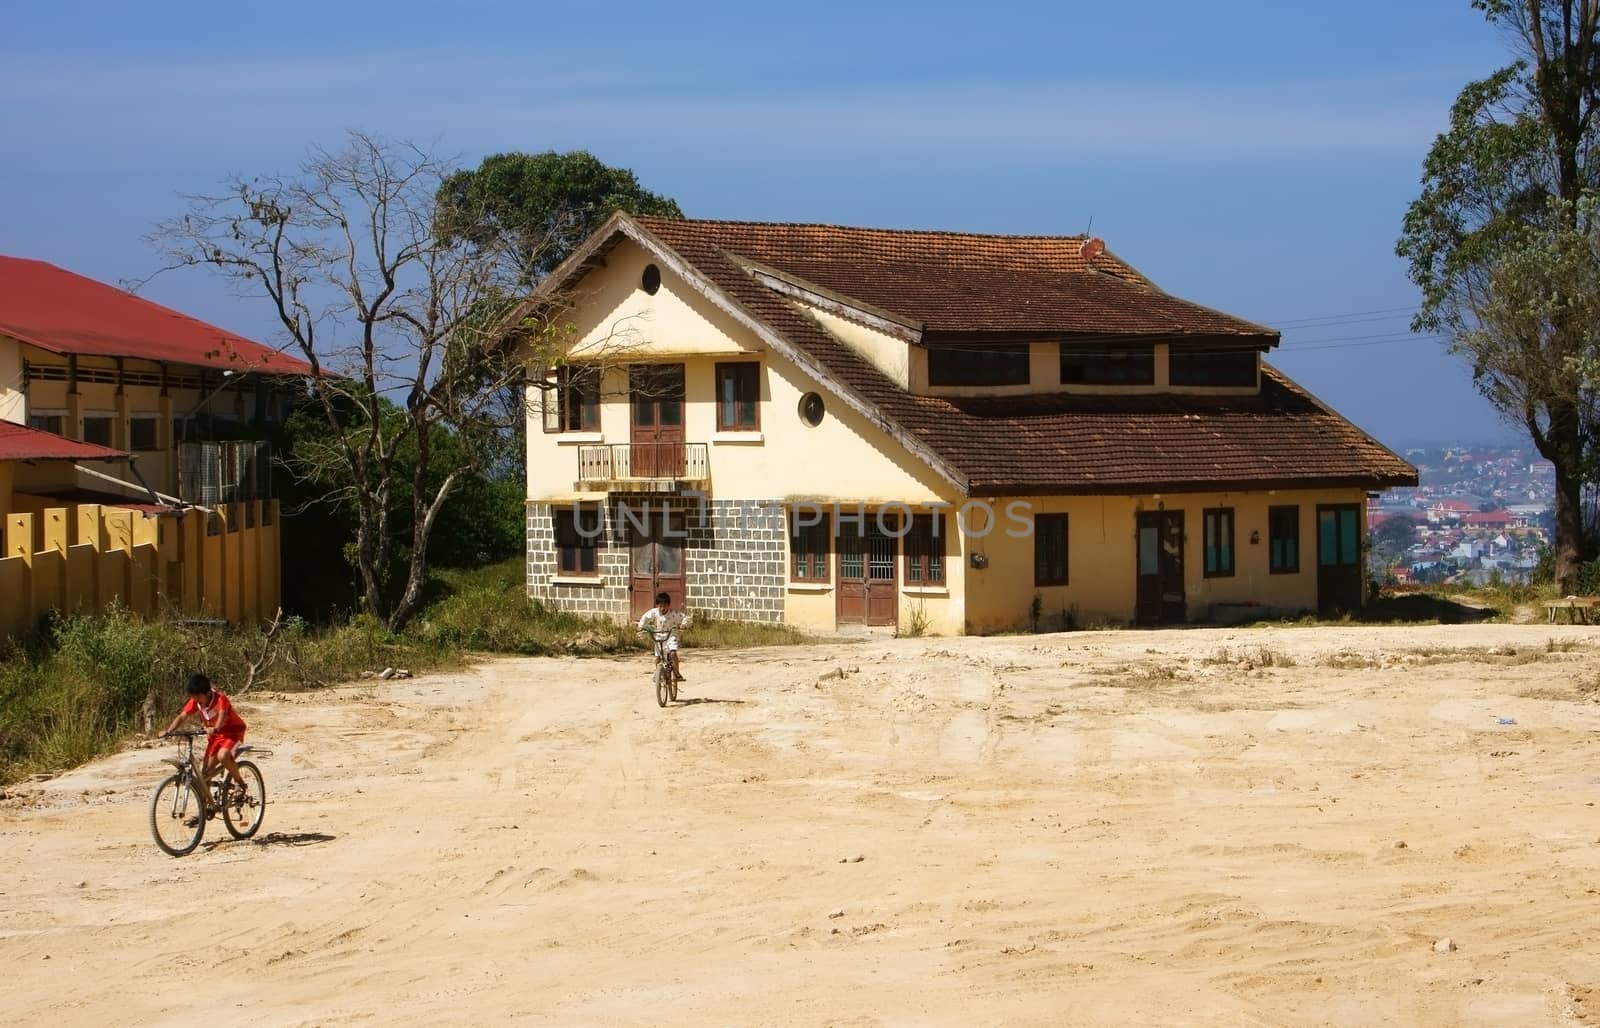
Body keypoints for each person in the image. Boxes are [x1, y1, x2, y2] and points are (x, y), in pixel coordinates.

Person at [161, 673, 248, 820]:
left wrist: (216, 727)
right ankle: (206, 808)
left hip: (233, 733)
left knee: (223, 756)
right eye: (194, 698)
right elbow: (183, 716)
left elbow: (222, 714)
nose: (196, 701)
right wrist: (169, 731)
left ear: (207, 693)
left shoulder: (220, 698)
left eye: (198, 697)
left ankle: (239, 782)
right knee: (205, 773)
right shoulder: (196, 701)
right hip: (215, 738)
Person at [638, 591, 689, 683]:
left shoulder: (674, 613)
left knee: (673, 653)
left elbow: (684, 617)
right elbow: (645, 618)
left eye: (664, 606)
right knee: (658, 658)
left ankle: (677, 673)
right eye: (660, 606)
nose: (662, 608)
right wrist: (641, 626)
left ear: (669, 605)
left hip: (671, 635)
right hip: (658, 636)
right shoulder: (655, 612)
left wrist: (683, 625)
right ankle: (658, 673)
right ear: (657, 605)